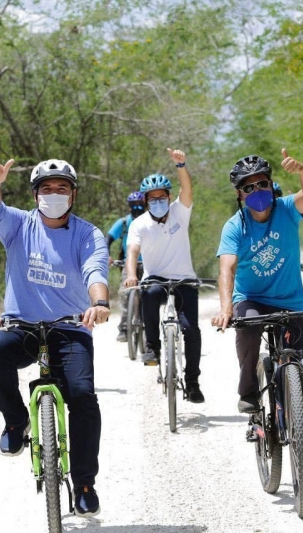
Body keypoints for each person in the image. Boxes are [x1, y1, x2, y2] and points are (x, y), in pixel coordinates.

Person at [0, 157, 110, 517]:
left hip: (69, 328)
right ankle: (15, 420)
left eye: (62, 188)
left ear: (73, 194)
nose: (54, 194)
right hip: (22, 327)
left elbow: (95, 270)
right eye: (46, 188)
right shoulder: (18, 225)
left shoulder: (88, 234)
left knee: (82, 397)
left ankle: (84, 484)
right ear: (35, 195)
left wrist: (99, 303)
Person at [211, 149, 303, 473]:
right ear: (239, 194)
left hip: (290, 301)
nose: (257, 191)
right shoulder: (235, 226)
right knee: (246, 326)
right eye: (249, 187)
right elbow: (227, 268)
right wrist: (226, 307)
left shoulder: (286, 209)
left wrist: (302, 170)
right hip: (252, 299)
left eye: (262, 184)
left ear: (272, 185)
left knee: (300, 374)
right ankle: (248, 389)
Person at [124, 148, 205, 403]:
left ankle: (192, 381)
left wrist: (181, 165)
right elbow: (132, 252)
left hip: (185, 279)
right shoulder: (139, 224)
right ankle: (152, 347)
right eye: (153, 198)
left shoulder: (180, 211)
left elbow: (187, 189)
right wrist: (131, 275)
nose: (158, 201)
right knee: (149, 294)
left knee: (191, 331)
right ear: (146, 200)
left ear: (169, 197)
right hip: (156, 277)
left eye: (162, 197)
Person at [106, 191, 146, 342]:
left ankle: (149, 328)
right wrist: (107, 255)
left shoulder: (151, 221)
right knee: (125, 293)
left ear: (145, 206)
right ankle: (124, 328)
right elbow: (108, 239)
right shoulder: (123, 223)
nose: (137, 208)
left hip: (149, 264)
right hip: (128, 264)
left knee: (150, 295)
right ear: (129, 207)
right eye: (133, 205)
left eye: (140, 205)